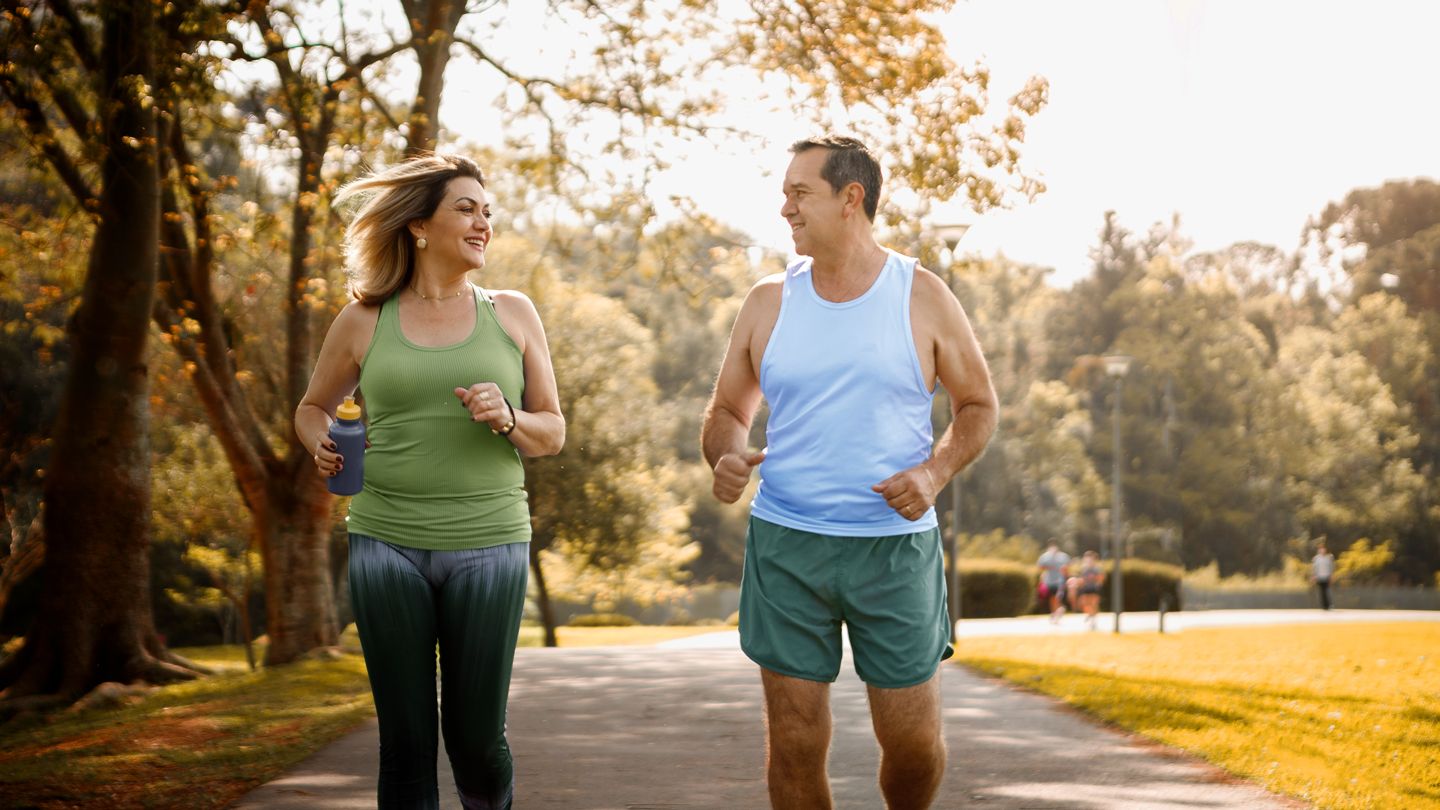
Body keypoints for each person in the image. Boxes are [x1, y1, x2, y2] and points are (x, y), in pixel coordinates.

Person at [701, 135, 998, 810]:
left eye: (799, 193)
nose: (785, 209)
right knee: (795, 740)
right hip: (787, 544)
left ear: (850, 199)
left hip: (894, 550)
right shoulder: (768, 301)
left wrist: (934, 473)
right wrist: (725, 454)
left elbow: (979, 405)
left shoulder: (920, 294)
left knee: (913, 743)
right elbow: (725, 409)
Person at [294, 153, 565, 809]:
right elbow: (311, 408)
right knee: (407, 742)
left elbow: (552, 432)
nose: (483, 223)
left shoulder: (513, 313)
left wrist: (507, 417)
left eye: (487, 211)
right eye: (466, 208)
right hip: (386, 541)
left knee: (475, 740)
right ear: (418, 226)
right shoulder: (364, 320)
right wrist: (320, 444)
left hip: (489, 542)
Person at [1036, 543, 1071, 623]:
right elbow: (1040, 567)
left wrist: (1066, 578)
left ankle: (1059, 610)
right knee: (1052, 598)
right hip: (1049, 581)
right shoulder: (1045, 557)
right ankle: (1054, 613)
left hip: (1060, 581)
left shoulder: (1063, 557)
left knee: (1057, 598)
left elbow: (1066, 569)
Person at [1076, 550, 1105, 630]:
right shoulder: (1084, 569)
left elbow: (1101, 578)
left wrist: (1098, 583)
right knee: (1085, 604)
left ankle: (1093, 620)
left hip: (1094, 588)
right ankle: (1090, 615)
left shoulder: (1097, 569)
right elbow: (1081, 579)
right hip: (1086, 588)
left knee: (1093, 603)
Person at [1311, 541, 1336, 610]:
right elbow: (1314, 568)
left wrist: (1332, 576)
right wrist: (1313, 576)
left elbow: (1331, 567)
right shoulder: (1316, 558)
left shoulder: (1329, 557)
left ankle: (1329, 605)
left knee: (1328, 591)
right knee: (1321, 592)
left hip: (1327, 577)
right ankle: (1324, 606)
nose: (1322, 550)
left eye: (1323, 548)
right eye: (1320, 549)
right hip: (1319, 577)